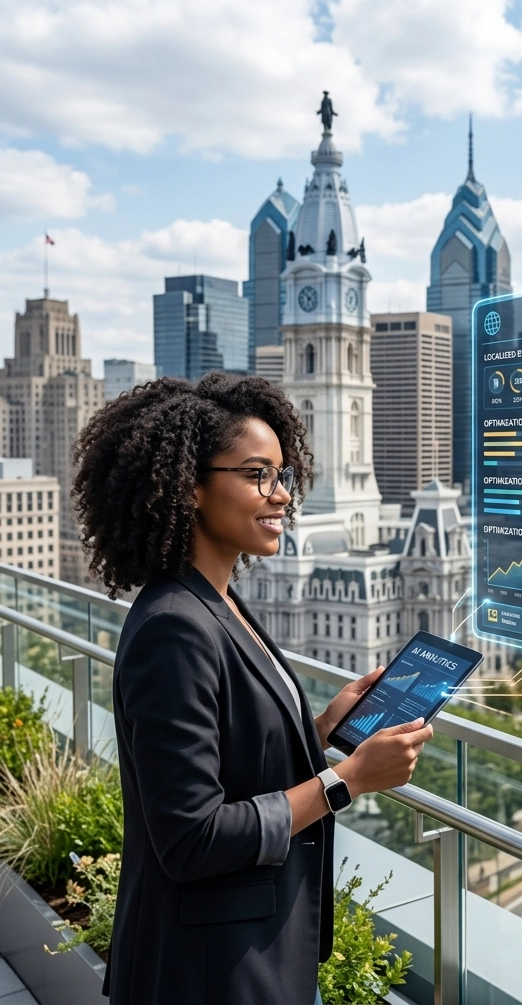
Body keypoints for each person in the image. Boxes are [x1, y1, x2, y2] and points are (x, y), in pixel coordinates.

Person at [73, 373, 433, 1005]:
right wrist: (346, 780)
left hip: (257, 951)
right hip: (210, 972)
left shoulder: (218, 602)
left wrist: (321, 729)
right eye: (258, 475)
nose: (282, 496)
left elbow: (231, 752)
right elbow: (191, 838)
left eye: (284, 475)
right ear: (190, 486)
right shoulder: (172, 629)